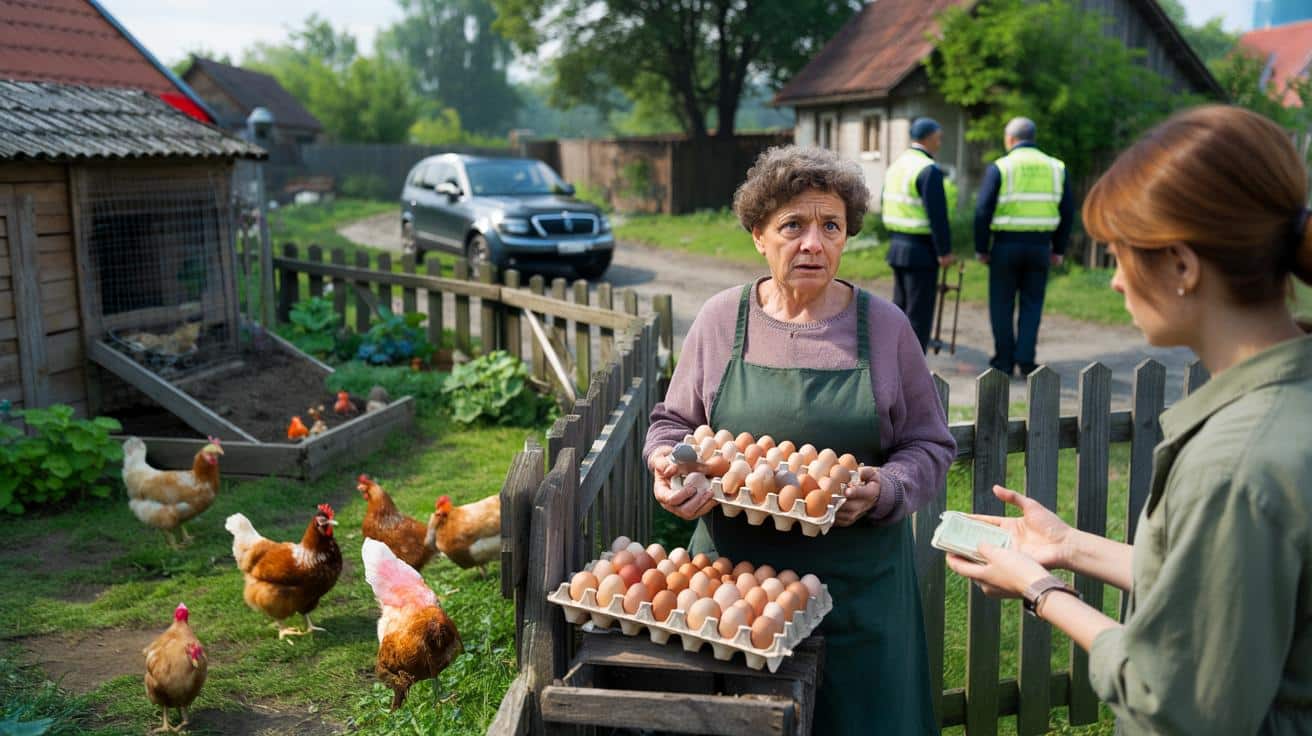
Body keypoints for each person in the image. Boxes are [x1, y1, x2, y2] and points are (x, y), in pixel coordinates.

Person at [946, 105, 1312, 734]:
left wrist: (1039, 591)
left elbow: (1177, 702)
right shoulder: (1285, 404)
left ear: (1181, 265)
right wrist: (1068, 547)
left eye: (1118, 256)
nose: (1115, 283)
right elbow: (1230, 592)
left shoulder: (1235, 462)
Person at [644, 145, 956, 734]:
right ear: (758, 235)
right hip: (731, 594)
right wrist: (669, 466)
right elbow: (672, 424)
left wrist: (888, 487)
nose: (814, 242)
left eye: (831, 226)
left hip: (859, 594)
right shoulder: (720, 320)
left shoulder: (884, 327)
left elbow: (930, 444)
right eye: (793, 225)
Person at [974, 117, 1073, 376]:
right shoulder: (1056, 167)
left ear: (1010, 139)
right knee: (1032, 303)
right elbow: (1068, 211)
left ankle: (1004, 362)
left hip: (1005, 245)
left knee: (1002, 303)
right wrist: (1059, 249)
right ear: (1034, 137)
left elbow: (983, 210)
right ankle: (1026, 360)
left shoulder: (1001, 167)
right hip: (1040, 246)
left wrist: (982, 248)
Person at [882, 116, 956, 352]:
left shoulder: (896, 165)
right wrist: (944, 251)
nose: (940, 143)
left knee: (899, 308)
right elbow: (937, 216)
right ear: (929, 137)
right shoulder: (928, 169)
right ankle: (912, 364)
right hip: (921, 250)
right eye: (939, 138)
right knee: (919, 313)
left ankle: (893, 356)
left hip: (897, 246)